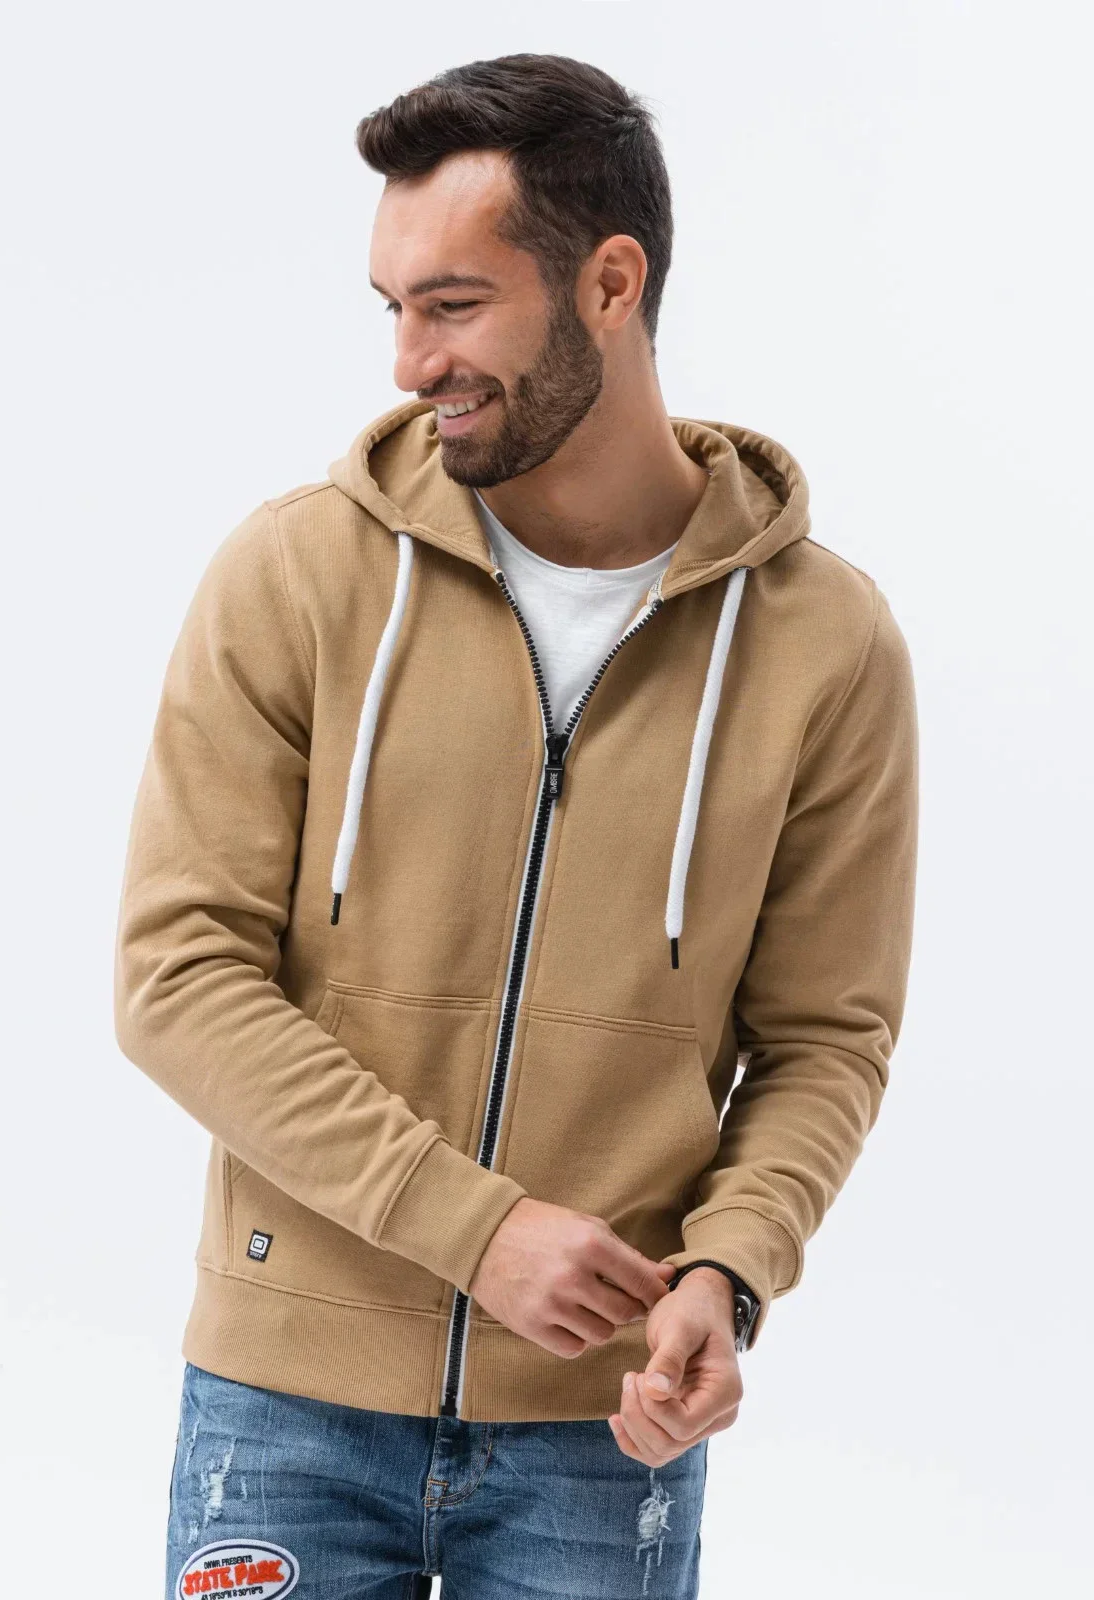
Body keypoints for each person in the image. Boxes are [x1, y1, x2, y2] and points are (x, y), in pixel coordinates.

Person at [114, 52, 918, 1600]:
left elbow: (827, 1037)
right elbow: (176, 980)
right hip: (285, 1405)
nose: (410, 361)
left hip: (598, 1429)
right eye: (392, 306)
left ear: (610, 284)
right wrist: (473, 1229)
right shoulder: (297, 577)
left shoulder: (824, 645)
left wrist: (729, 1270)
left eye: (454, 305)